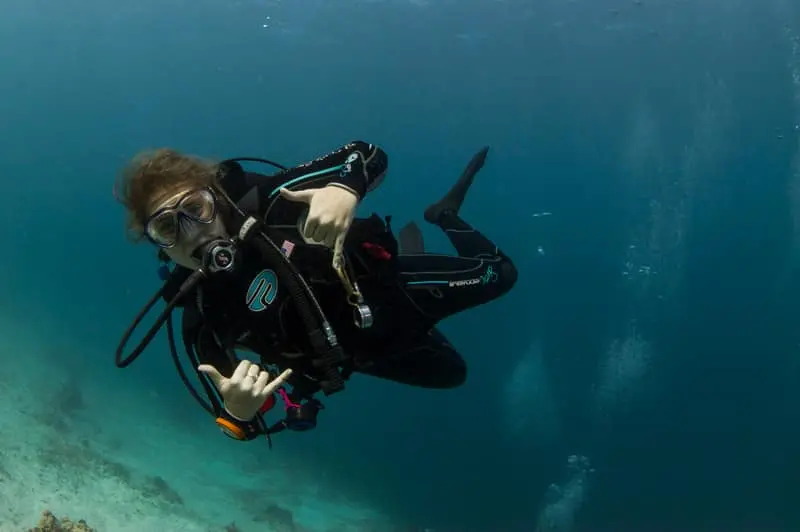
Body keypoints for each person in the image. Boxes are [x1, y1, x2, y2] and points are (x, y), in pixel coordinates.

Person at [114, 140, 517, 443]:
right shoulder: (201, 313)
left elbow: (366, 153)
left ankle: (443, 215)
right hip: (361, 352)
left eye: (196, 209)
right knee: (452, 374)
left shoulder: (270, 203)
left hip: (397, 292)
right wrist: (239, 410)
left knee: (502, 273)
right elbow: (238, 425)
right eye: (167, 228)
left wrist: (344, 189)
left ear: (217, 200)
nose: (192, 232)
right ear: (159, 246)